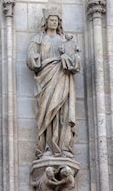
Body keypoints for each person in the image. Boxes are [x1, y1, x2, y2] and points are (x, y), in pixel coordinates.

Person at [27, 9, 80, 158]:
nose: (54, 22)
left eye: (56, 20)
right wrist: (35, 58)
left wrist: (72, 58)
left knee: (62, 111)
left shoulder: (64, 40)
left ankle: (63, 146)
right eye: (51, 20)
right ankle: (47, 146)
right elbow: (30, 58)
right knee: (47, 111)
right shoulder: (38, 39)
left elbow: (74, 58)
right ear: (45, 22)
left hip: (62, 76)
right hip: (46, 77)